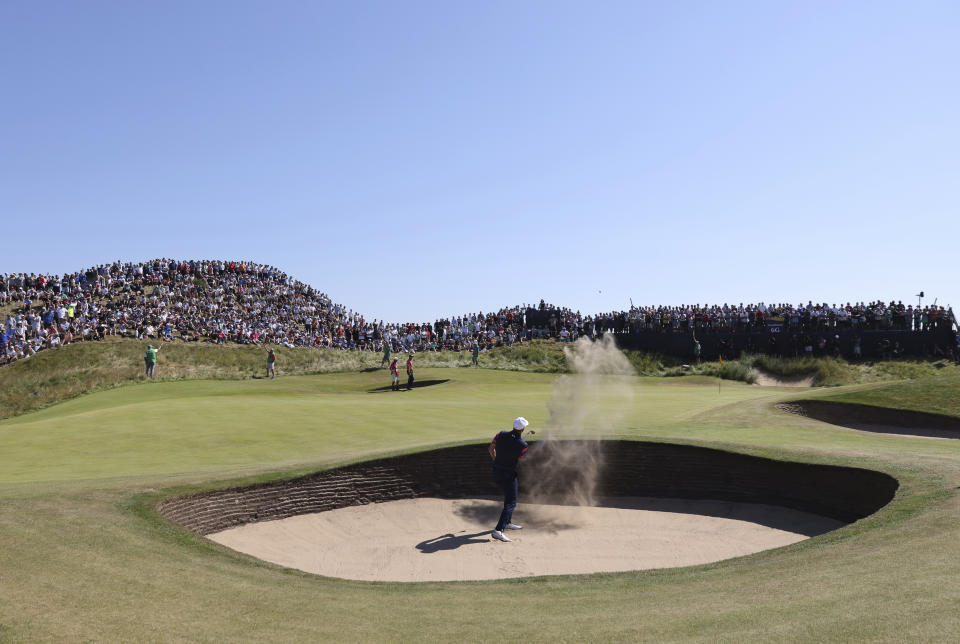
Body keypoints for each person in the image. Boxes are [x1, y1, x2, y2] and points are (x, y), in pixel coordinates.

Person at [488, 417, 530, 542]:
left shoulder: (500, 434)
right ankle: (498, 530)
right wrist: (519, 443)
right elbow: (520, 457)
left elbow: (491, 449)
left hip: (496, 471)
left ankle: (508, 522)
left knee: (509, 497)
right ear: (522, 429)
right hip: (509, 475)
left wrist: (495, 460)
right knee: (511, 502)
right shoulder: (523, 445)